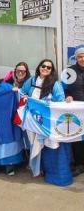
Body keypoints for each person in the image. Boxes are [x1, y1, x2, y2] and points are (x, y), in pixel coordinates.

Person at [21, 60, 72, 186]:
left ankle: (48, 170)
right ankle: (38, 168)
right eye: (43, 66)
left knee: (48, 146)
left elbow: (60, 101)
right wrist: (25, 97)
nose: (45, 69)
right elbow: (22, 92)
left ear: (51, 70)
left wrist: (50, 101)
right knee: (35, 143)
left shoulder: (55, 84)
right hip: (33, 120)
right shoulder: (32, 81)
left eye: (49, 67)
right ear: (39, 67)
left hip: (48, 121)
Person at [64, 47, 84, 177]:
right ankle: (79, 164)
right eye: (80, 56)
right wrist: (68, 95)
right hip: (76, 110)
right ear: (76, 58)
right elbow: (64, 88)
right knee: (77, 137)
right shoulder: (70, 71)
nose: (83, 59)